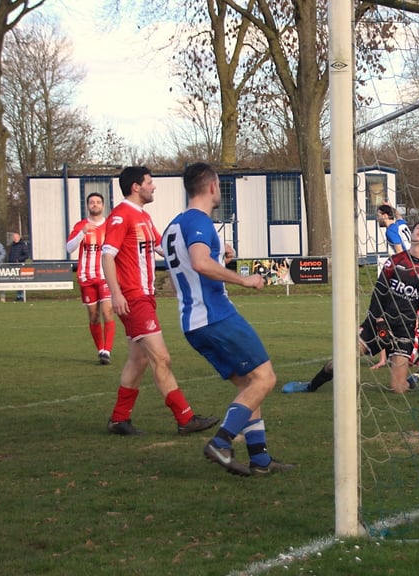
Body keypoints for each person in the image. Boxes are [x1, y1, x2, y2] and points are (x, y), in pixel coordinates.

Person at [162, 162, 294, 476]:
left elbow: (183, 263)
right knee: (265, 379)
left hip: (192, 324)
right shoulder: (200, 221)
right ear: (211, 186)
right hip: (216, 316)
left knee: (250, 387)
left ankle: (260, 460)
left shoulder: (173, 227)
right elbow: (198, 262)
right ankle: (221, 442)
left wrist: (220, 258)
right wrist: (241, 279)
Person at [101, 165, 218, 437]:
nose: (153, 187)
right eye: (150, 182)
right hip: (133, 297)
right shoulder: (121, 216)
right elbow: (107, 256)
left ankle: (119, 419)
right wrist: (116, 293)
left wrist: (214, 253)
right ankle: (185, 418)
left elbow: (164, 248)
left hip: (145, 296)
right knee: (161, 358)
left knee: (139, 360)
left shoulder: (141, 216)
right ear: (136, 187)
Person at [283, 219, 419, 394]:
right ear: (411, 234)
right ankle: (310, 386)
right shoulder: (395, 261)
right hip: (379, 324)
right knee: (341, 362)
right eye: (418, 227)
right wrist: (378, 320)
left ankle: (411, 381)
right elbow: (379, 293)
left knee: (398, 388)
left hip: (404, 330)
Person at [66, 192, 116, 365]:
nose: (95, 204)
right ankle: (100, 349)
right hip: (86, 277)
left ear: (103, 206)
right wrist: (82, 233)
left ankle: (107, 351)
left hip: (105, 276)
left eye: (98, 202)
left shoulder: (110, 225)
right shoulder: (81, 225)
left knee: (107, 312)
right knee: (94, 316)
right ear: (87, 206)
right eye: (92, 202)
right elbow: (69, 247)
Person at [8, 232, 31, 301]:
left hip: (20, 265)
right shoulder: (12, 245)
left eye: (16, 237)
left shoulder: (23, 245)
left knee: (21, 281)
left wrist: (19, 259)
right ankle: (18, 296)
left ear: (19, 237)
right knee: (16, 281)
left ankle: (21, 296)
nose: (15, 238)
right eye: (14, 237)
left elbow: (27, 255)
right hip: (13, 265)